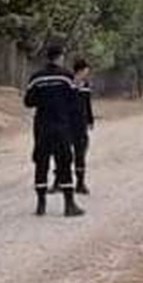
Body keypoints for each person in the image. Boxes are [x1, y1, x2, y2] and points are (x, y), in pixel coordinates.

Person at [24, 44, 84, 217]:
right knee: (64, 162)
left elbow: (28, 102)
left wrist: (44, 99)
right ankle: (69, 205)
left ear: (47, 57)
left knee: (41, 163)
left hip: (42, 126)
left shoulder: (36, 78)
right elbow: (74, 101)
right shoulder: (66, 77)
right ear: (60, 57)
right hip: (61, 126)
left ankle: (41, 204)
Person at [52, 58, 94, 194]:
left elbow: (87, 104)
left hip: (81, 124)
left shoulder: (86, 85)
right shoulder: (67, 83)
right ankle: (58, 181)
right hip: (67, 123)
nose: (87, 72)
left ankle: (80, 183)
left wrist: (90, 120)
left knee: (80, 153)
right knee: (63, 153)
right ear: (81, 70)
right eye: (86, 70)